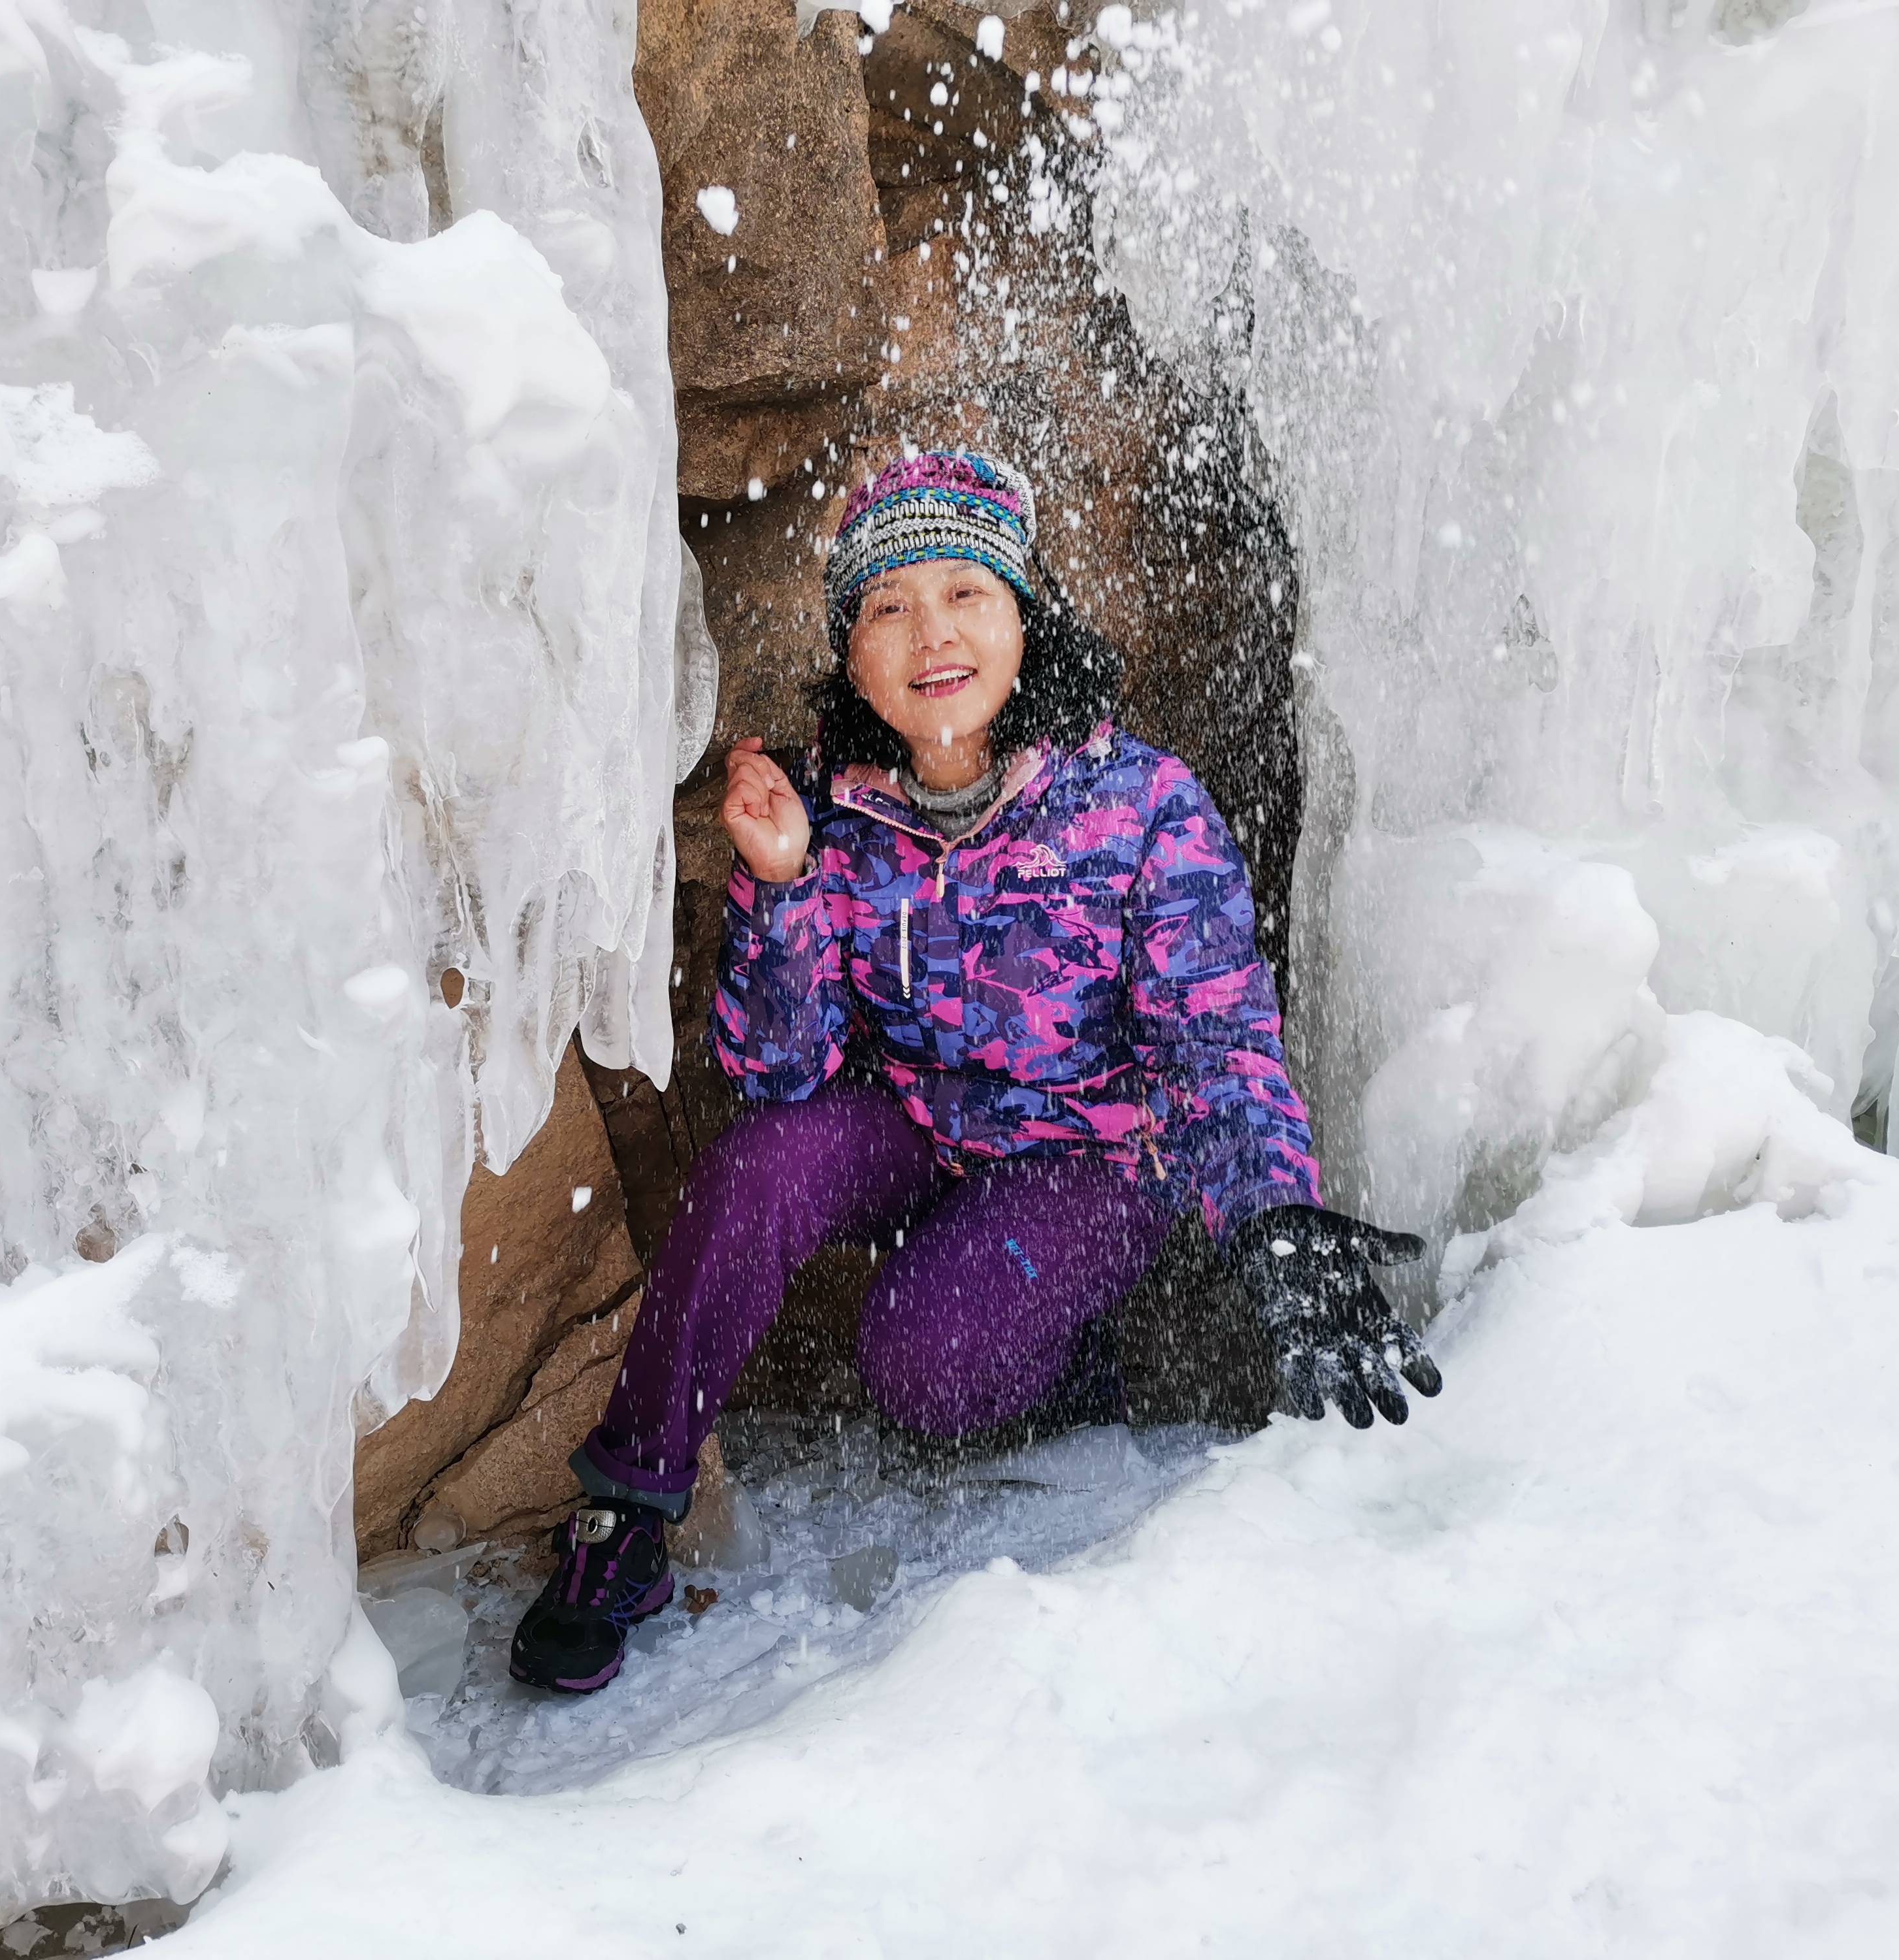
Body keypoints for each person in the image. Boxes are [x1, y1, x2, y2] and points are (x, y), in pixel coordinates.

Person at [508, 451, 1440, 1695]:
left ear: (1023, 618)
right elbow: (781, 1071)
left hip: (1090, 1157)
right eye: (888, 607)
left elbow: (1216, 1044)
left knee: (924, 1370)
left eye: (965, 595)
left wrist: (1272, 1214)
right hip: (917, 1130)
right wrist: (780, 884)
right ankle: (625, 1513)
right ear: (852, 652)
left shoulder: (1141, 807)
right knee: (758, 1163)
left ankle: (1070, 1357)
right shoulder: (837, 817)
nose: (930, 635)